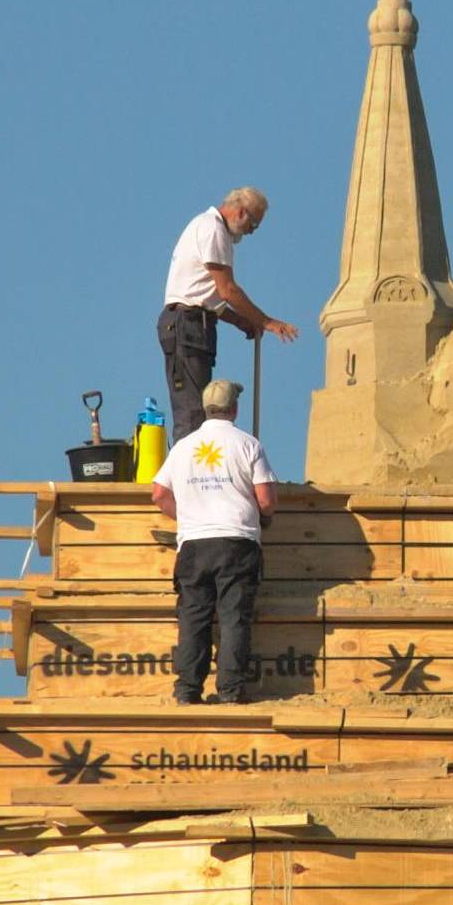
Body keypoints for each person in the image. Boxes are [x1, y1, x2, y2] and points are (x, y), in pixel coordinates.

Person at [151, 378, 278, 705]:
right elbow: (266, 501)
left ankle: (187, 690)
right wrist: (261, 515)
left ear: (206, 408)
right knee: (234, 617)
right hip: (237, 543)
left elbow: (159, 494)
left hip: (194, 546)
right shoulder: (248, 445)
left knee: (193, 617)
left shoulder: (183, 448)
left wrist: (187, 516)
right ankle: (230, 691)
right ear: (234, 408)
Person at [158, 186, 299, 443]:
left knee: (198, 411)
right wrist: (265, 321)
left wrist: (239, 321)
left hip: (192, 324)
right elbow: (227, 290)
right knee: (193, 414)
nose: (251, 231)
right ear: (241, 212)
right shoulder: (213, 229)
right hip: (187, 326)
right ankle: (187, 467)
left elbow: (205, 294)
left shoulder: (209, 227)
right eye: (253, 224)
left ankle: (195, 463)